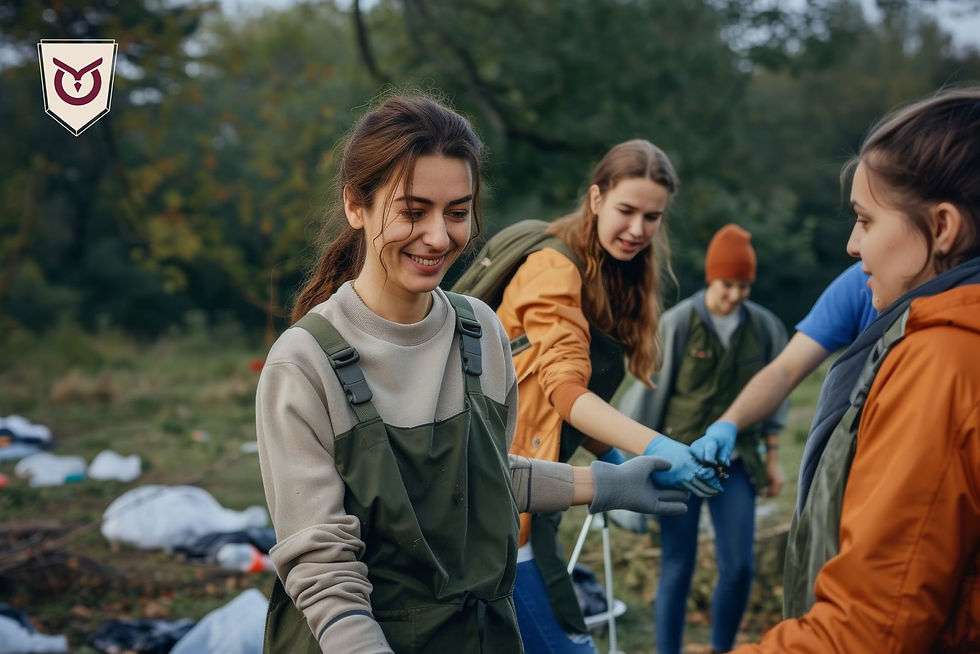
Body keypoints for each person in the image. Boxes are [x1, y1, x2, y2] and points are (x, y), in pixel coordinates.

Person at [254, 95, 691, 654]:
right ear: (355, 206)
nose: (439, 237)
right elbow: (322, 568)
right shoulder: (304, 363)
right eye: (413, 211)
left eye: (457, 212)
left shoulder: (479, 330)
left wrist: (606, 485)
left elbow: (483, 480)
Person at [732, 87, 980, 652]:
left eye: (866, 221)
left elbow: (872, 627)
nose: (851, 244)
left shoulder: (944, 361)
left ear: (942, 228)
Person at [494, 139, 724, 653]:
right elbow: (563, 391)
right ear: (596, 198)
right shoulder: (554, 269)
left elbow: (570, 409)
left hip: (536, 501)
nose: (638, 229)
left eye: (653, 216)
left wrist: (618, 460)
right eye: (626, 210)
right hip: (501, 505)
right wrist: (658, 447)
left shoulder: (613, 276)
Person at [617, 224, 788, 654]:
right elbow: (647, 396)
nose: (735, 294)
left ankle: (720, 647)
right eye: (728, 284)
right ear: (712, 278)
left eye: (744, 286)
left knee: (739, 567)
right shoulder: (677, 325)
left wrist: (772, 459)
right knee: (678, 564)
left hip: (737, 462)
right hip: (679, 463)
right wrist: (639, 462)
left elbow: (776, 398)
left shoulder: (765, 328)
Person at [702, 260, 876, 503]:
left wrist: (771, 454)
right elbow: (784, 371)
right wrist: (727, 424)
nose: (853, 245)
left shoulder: (762, 324)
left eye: (868, 223)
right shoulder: (861, 283)